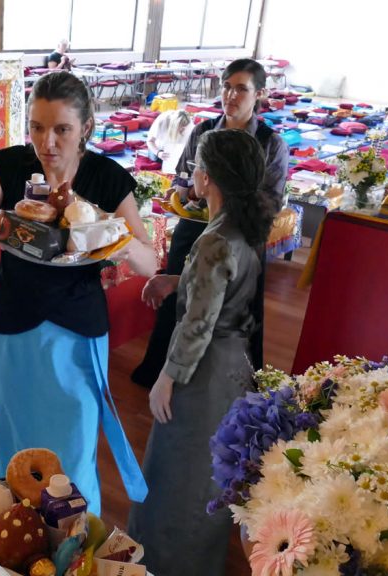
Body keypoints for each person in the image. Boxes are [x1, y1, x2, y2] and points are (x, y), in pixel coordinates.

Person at [0, 71, 156, 513]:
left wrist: (105, 228)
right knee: (2, 444)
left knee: (71, 454)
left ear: (86, 129)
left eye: (62, 129)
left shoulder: (106, 179)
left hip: (77, 334)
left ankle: (69, 546)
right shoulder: (10, 167)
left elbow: (148, 263)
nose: (48, 142)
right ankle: (0, 536)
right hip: (11, 327)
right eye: (37, 127)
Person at [127, 128, 276, 576]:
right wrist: (177, 282)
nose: (191, 173)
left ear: (208, 178)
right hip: (233, 364)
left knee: (180, 478)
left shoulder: (214, 239)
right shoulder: (241, 228)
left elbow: (198, 324)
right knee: (209, 476)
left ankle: (165, 565)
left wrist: (167, 377)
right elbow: (221, 289)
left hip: (202, 371)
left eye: (196, 167)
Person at [131, 58, 288, 388]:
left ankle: (230, 380)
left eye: (241, 89)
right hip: (193, 226)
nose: (231, 95)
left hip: (242, 233)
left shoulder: (271, 143)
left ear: (259, 93)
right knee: (179, 301)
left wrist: (224, 199)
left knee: (232, 312)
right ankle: (163, 369)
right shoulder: (203, 131)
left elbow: (271, 201)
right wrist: (190, 191)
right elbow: (181, 178)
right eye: (226, 87)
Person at [146, 110, 193, 174]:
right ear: (174, 125)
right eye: (180, 128)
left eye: (184, 128)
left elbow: (191, 144)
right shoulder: (161, 122)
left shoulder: (189, 124)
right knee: (156, 161)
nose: (182, 130)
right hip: (159, 147)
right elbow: (149, 141)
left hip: (175, 149)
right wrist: (158, 153)